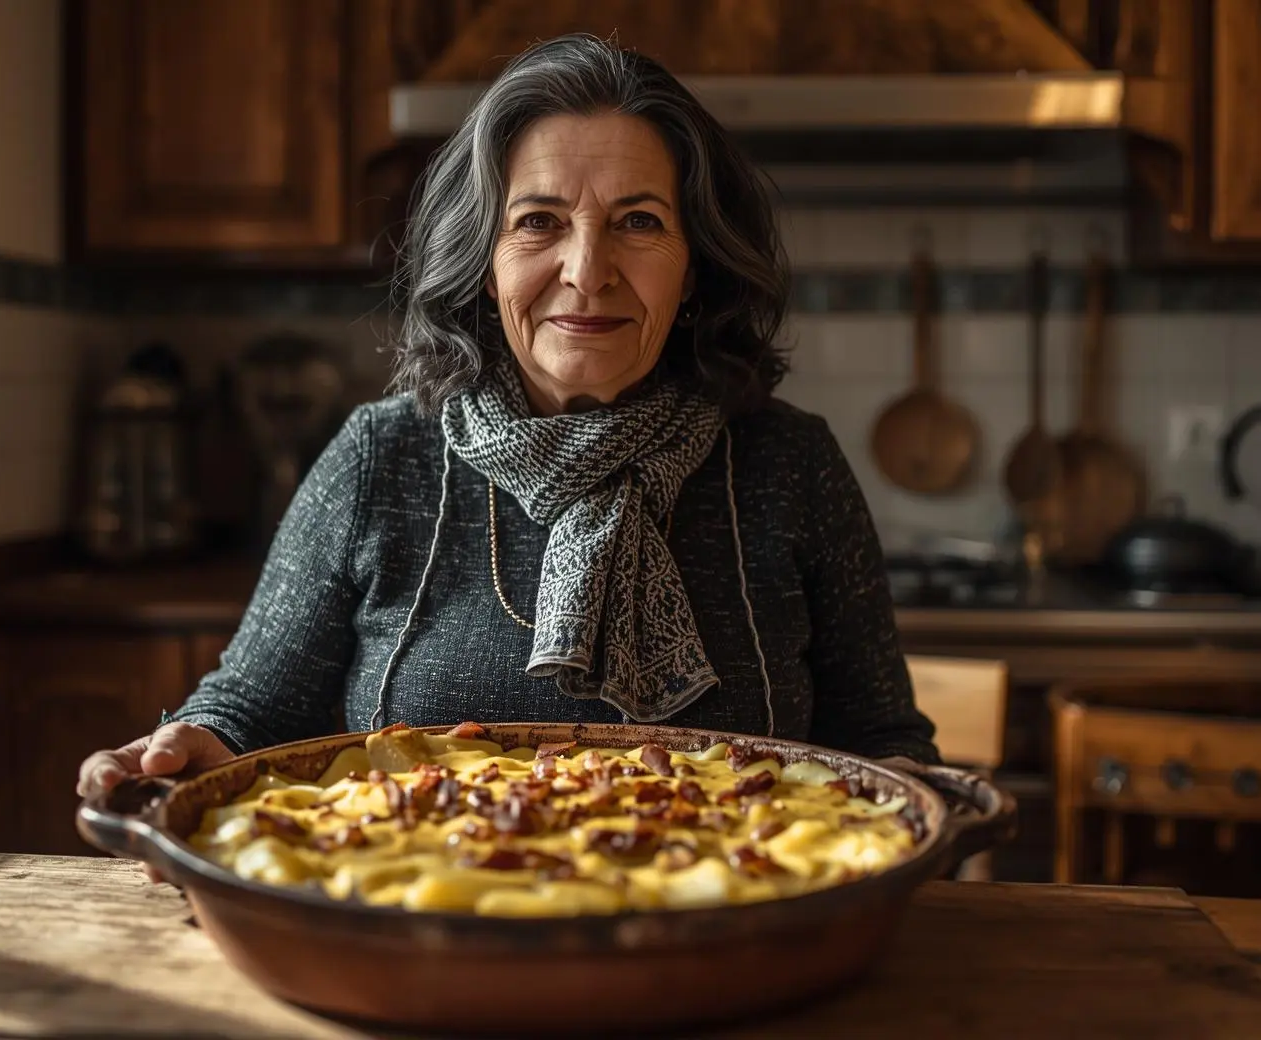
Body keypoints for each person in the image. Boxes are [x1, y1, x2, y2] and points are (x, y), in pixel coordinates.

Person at [77, 33, 938, 805]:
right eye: (540, 222)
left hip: (734, 932)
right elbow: (252, 709)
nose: (587, 269)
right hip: (425, 926)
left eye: (639, 222)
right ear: (485, 264)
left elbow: (883, 749)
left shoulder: (789, 462)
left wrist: (916, 801)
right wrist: (181, 755)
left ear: (697, 270)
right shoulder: (382, 457)